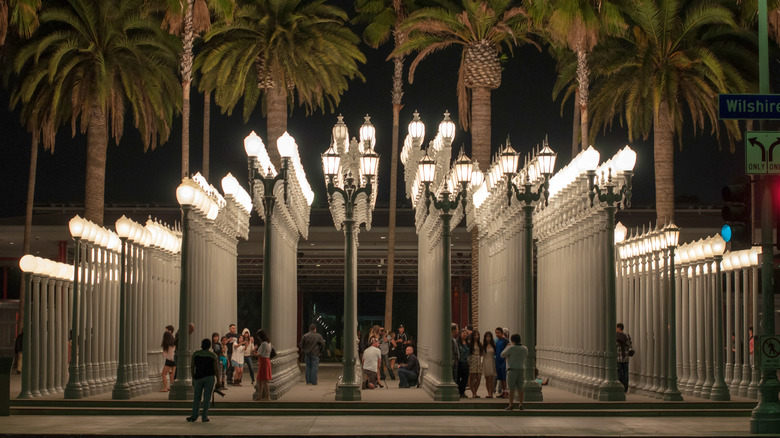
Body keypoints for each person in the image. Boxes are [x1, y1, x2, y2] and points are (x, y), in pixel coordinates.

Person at [186, 338, 219, 422]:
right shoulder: (213, 355)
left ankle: (194, 415)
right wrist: (218, 380)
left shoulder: (196, 354)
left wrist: (193, 377)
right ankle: (204, 416)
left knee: (196, 397)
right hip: (209, 377)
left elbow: (192, 367)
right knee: (207, 397)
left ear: (202, 345)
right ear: (209, 346)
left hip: (198, 377)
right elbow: (216, 369)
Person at [501, 333, 528, 411]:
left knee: (511, 388)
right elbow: (526, 356)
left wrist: (507, 346)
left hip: (512, 369)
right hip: (521, 369)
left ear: (512, 341)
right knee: (520, 388)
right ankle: (521, 404)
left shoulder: (511, 348)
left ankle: (511, 404)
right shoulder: (525, 348)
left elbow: (502, 355)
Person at [255, 329, 273, 400]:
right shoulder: (269, 343)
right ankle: (262, 395)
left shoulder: (264, 344)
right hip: (266, 361)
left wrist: (254, 354)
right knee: (262, 380)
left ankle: (266, 396)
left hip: (263, 362)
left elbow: (261, 354)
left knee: (263, 380)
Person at [616, 323, 632, 393]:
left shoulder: (616, 336)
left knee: (619, 373)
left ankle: (620, 387)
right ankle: (625, 388)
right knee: (626, 373)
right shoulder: (627, 336)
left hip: (619, 358)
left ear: (619, 328)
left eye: (616, 328)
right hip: (626, 358)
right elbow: (630, 345)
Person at [468, 330, 484, 398]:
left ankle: (475, 391)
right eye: (475, 335)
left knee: (478, 377)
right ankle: (473, 392)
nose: (476, 336)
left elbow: (482, 353)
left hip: (478, 360)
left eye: (478, 335)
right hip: (472, 359)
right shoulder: (469, 344)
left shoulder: (480, 344)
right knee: (472, 377)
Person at [160, 326, 176, 392]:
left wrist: (163, 353)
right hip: (175, 360)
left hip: (169, 360)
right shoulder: (174, 342)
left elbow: (165, 354)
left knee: (163, 374)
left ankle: (165, 387)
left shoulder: (167, 344)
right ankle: (172, 387)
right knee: (172, 374)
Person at [494, 327, 508, 398]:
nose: (497, 334)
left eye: (498, 333)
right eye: (496, 333)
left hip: (503, 362)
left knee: (504, 377)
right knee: (500, 378)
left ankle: (506, 392)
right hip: (498, 361)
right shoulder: (497, 341)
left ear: (502, 333)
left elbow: (508, 350)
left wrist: (506, 360)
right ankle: (503, 391)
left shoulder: (505, 341)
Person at [482, 331, 496, 398]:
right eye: (487, 337)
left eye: (489, 337)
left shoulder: (494, 345)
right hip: (485, 362)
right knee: (487, 379)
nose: (488, 338)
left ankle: (491, 392)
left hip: (491, 361)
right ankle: (488, 393)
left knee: (491, 379)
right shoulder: (483, 345)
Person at [457, 329, 470, 398]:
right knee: (458, 377)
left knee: (465, 378)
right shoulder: (457, 342)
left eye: (466, 333)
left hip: (466, 362)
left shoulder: (468, 343)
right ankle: (458, 391)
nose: (465, 334)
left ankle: (462, 391)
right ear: (460, 334)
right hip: (459, 362)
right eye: (463, 333)